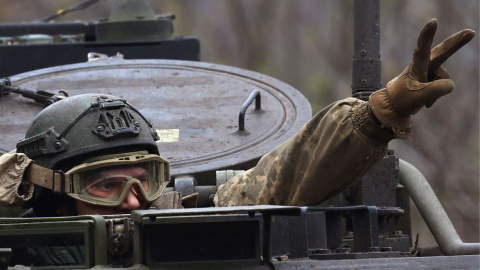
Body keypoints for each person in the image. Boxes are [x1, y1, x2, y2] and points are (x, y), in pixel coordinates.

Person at [0, 19, 475, 216]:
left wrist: (379, 112)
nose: (134, 202)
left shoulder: (175, 224)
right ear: (51, 195)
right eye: (104, 186)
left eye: (145, 180)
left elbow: (283, 178)